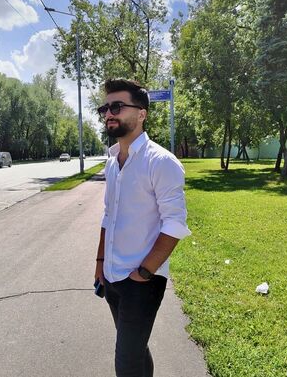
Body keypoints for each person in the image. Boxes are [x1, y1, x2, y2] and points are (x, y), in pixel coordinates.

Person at [95, 78, 191, 377]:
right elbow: (108, 216)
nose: (109, 114)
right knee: (136, 349)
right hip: (112, 275)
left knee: (126, 361)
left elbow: (174, 223)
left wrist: (145, 272)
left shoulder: (161, 162)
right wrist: (100, 263)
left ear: (141, 114)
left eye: (117, 107)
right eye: (105, 108)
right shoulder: (112, 162)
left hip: (142, 280)